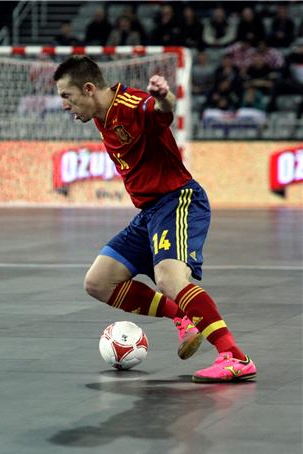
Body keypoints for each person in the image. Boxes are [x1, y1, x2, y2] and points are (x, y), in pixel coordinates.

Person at [53, 56, 257, 383]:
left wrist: (164, 96)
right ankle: (183, 317)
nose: (65, 105)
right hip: (149, 212)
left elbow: (162, 111)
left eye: (67, 96)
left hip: (178, 200)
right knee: (98, 282)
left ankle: (235, 357)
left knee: (170, 280)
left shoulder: (131, 104)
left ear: (89, 89)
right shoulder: (101, 114)